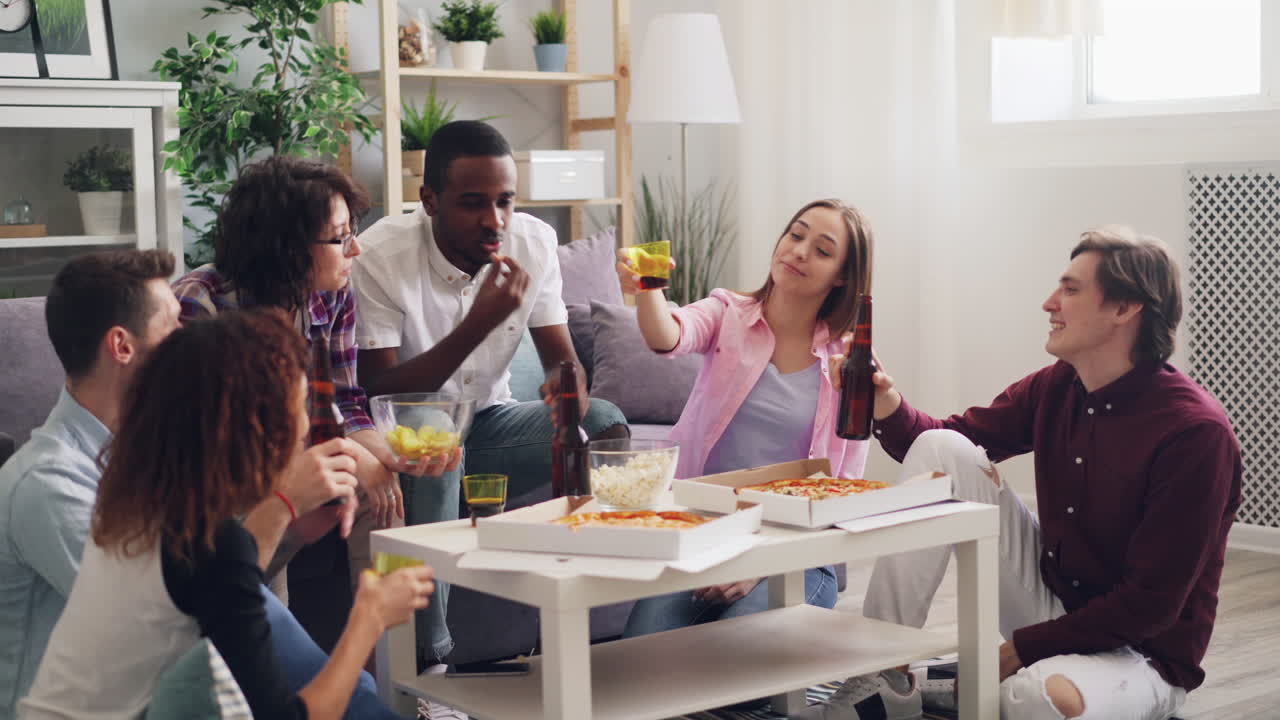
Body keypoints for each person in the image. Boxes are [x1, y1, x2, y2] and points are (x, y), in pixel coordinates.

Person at [798, 227, 1241, 720]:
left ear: (1124, 308)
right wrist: (885, 401)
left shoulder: (1195, 435)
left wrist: (1020, 650)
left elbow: (1150, 606)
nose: (1050, 303)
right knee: (941, 448)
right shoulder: (1057, 386)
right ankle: (885, 671)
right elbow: (942, 446)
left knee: (1038, 699)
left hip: (1143, 654)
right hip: (1053, 602)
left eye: (1071, 289)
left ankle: (971, 685)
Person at [0, 250, 406, 720]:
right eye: (172, 325)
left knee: (342, 690)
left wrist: (291, 525)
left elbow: (219, 585)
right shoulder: (49, 484)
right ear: (121, 346)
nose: (188, 337)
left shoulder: (150, 456)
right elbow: (187, 618)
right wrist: (280, 505)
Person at [352, 120, 628, 665]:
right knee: (434, 430)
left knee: (602, 420)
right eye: (473, 203)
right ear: (430, 200)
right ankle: (427, 660)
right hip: (407, 439)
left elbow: (562, 360)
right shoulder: (380, 255)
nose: (495, 220)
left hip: (491, 427)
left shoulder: (533, 241)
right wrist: (479, 322)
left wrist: (567, 386)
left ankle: (582, 615)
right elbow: (377, 387)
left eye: (505, 201)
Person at [172, 156, 457, 617]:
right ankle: (267, 644)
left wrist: (386, 458)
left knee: (382, 493)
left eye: (352, 232)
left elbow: (345, 399)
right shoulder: (200, 304)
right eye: (340, 237)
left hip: (295, 456)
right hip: (222, 480)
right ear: (286, 247)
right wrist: (345, 459)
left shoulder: (333, 293)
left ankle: (393, 653)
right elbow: (206, 444)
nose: (355, 249)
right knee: (271, 495)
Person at [617, 199, 873, 643]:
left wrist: (762, 564)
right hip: (704, 535)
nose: (799, 251)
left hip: (795, 551)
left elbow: (843, 491)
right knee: (641, 654)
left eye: (822, 250)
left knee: (738, 650)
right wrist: (646, 287)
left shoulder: (848, 362)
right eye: (796, 234)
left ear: (842, 277)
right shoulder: (727, 313)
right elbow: (667, 335)